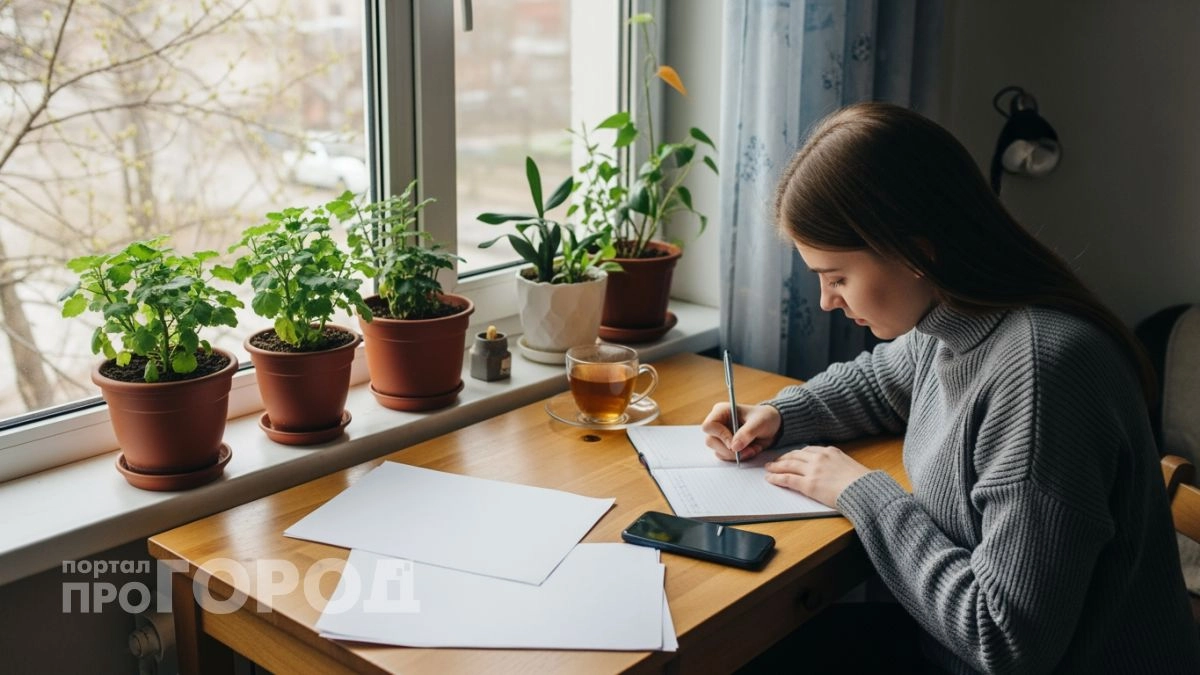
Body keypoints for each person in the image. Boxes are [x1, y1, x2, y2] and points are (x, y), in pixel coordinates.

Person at [703, 102, 1200, 673]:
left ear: (916, 251)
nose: (827, 301)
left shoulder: (1043, 374)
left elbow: (1005, 640)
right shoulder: (953, 323)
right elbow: (879, 380)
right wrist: (779, 414)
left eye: (837, 277)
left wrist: (862, 493)